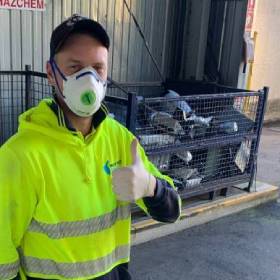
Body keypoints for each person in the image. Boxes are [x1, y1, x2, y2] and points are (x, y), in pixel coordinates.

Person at [0, 14, 181, 280]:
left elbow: (172, 212)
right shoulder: (20, 155)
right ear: (51, 73)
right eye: (75, 68)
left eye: (98, 68)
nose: (89, 79)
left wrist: (151, 187)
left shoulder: (120, 140)